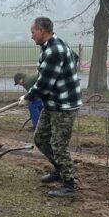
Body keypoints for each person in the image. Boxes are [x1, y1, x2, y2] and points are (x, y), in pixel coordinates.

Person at [24, 17, 83, 198]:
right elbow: (74, 57)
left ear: (42, 31)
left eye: (33, 32)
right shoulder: (51, 46)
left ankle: (70, 184)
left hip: (64, 105)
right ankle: (59, 169)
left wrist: (28, 96)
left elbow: (44, 84)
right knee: (41, 138)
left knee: (58, 145)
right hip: (52, 103)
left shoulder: (54, 50)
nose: (31, 36)